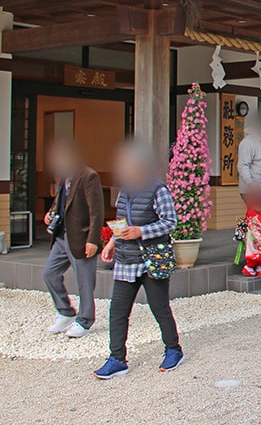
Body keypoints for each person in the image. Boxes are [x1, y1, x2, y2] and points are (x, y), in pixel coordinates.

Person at [94, 142, 183, 379]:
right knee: (118, 311)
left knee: (159, 307)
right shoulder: (124, 190)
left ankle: (173, 349)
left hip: (151, 258)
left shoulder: (158, 190)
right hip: (125, 258)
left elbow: (170, 222)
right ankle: (117, 358)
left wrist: (141, 231)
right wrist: (112, 242)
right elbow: (122, 221)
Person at [42, 139, 104, 339]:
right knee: (49, 273)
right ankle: (65, 311)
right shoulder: (62, 176)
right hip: (61, 235)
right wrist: (51, 213)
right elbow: (60, 201)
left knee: (84, 281)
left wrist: (93, 240)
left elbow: (96, 211)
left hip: (81, 235)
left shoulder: (88, 175)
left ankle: (85, 320)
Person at [238, 114, 261, 209]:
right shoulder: (248, 143)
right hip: (253, 188)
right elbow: (243, 165)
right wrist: (250, 183)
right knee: (255, 218)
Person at [241, 184, 261, 278]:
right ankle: (249, 267)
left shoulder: (259, 213)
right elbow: (259, 223)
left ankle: (259, 267)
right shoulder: (251, 213)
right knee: (254, 250)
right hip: (253, 237)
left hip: (259, 237)